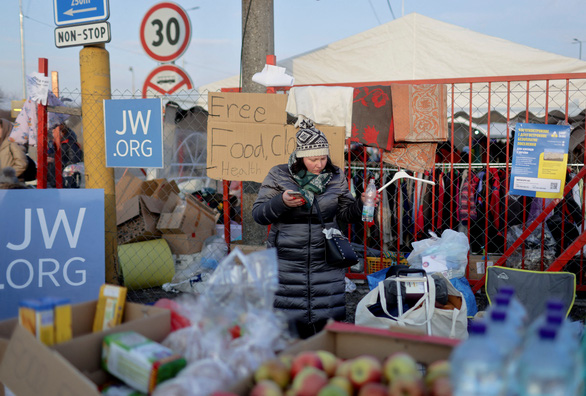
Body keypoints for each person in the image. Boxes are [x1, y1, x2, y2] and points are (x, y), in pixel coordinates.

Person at [252, 119, 379, 339]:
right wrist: (281, 202)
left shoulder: (336, 176)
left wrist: (362, 203)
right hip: (287, 259)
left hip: (326, 256)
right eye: (313, 159)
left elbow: (345, 214)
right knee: (288, 323)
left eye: (323, 158)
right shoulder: (279, 174)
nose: (319, 164)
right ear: (301, 157)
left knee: (326, 320)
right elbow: (259, 214)